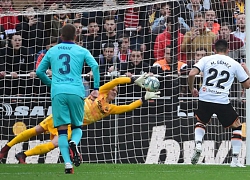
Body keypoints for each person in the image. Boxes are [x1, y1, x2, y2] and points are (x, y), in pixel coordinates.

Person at [0, 75, 160, 165]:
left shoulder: (109, 109)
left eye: (116, 92)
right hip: (66, 112)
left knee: (54, 144)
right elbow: (116, 81)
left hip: (70, 123)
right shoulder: (101, 92)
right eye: (114, 90)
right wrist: (133, 80)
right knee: (36, 130)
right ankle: (7, 148)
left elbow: (128, 107)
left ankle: (23, 155)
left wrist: (143, 99)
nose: (114, 91)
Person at [36, 24, 100, 174]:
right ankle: (74, 142)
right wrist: (95, 88)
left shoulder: (52, 51)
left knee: (62, 131)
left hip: (58, 92)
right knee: (77, 127)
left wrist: (52, 84)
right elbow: (95, 66)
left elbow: (39, 71)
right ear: (76, 37)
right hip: (77, 91)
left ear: (61, 36)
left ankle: (67, 165)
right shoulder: (82, 50)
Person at [188, 39, 250, 167]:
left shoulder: (206, 59)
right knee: (237, 127)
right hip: (222, 100)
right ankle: (234, 161)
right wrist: (247, 70)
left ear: (214, 50)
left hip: (205, 98)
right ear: (228, 50)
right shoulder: (234, 63)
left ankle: (199, 143)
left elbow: (191, 73)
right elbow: (247, 85)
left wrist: (191, 88)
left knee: (201, 122)